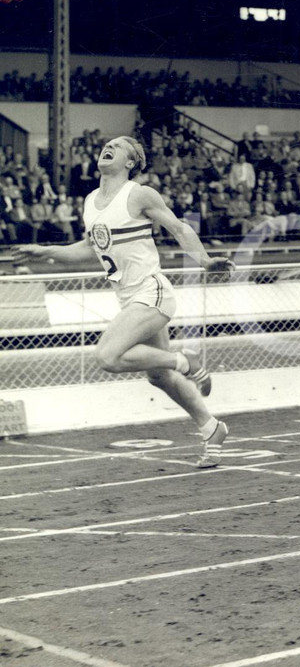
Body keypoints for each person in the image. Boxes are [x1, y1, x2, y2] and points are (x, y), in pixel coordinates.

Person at [13, 135, 235, 468]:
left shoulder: (139, 193)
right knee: (158, 376)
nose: (108, 147)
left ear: (131, 162)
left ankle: (186, 362)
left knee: (107, 355)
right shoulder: (91, 201)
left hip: (151, 291)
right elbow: (88, 248)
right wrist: (45, 251)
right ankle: (211, 427)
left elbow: (179, 228)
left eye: (117, 146)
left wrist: (204, 261)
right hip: (129, 298)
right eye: (107, 144)